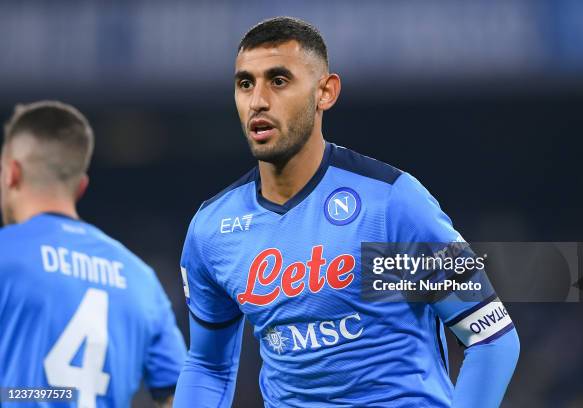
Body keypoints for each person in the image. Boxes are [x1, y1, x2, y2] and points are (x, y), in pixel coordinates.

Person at [175, 17, 520, 407]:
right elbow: (208, 365)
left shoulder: (390, 204)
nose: (258, 101)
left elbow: (491, 339)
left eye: (279, 80)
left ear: (325, 92)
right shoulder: (214, 230)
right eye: (245, 84)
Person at [0, 101, 186, 407]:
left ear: (12, 174)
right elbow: (181, 396)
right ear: (81, 186)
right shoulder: (141, 279)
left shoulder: (5, 254)